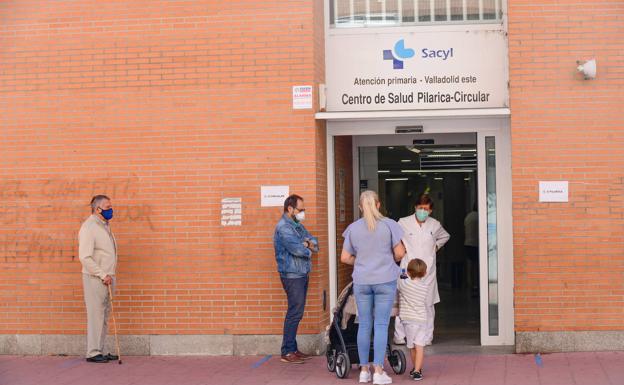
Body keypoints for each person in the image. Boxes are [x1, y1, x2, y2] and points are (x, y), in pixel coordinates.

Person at [340, 190, 405, 385]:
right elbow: (400, 253)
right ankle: (378, 371)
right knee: (381, 325)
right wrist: (385, 260)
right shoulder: (390, 225)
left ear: (360, 207)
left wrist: (363, 261)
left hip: (362, 281)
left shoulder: (353, 228)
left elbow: (344, 258)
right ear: (378, 204)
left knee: (364, 324)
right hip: (385, 280)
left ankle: (364, 371)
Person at [394, 194, 450, 348]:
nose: (422, 211)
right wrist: (400, 249)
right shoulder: (403, 222)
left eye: (426, 209)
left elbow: (445, 236)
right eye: (420, 208)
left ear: (431, 211)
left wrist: (436, 247)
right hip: (408, 267)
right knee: (404, 300)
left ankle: (426, 337)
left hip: (427, 269)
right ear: (415, 208)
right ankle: (400, 336)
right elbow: (393, 238)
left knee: (428, 303)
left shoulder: (435, 225)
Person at [274, 194, 318, 364]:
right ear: (290, 209)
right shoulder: (284, 227)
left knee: (297, 312)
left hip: (302, 273)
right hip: (292, 275)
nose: (302, 213)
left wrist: (308, 244)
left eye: (303, 210)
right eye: (301, 210)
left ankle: (292, 348)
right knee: (294, 312)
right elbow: (299, 250)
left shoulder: (297, 226)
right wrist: (307, 246)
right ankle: (287, 351)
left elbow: (315, 243)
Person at [78, 195, 118, 363]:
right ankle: (93, 353)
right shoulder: (89, 227)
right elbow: (85, 257)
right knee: (96, 315)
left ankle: (100, 350)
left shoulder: (104, 225)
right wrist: (103, 274)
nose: (111, 209)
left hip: (107, 277)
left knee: (104, 315)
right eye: (107, 207)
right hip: (96, 278)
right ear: (97, 209)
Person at [397, 258, 430, 381]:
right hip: (421, 320)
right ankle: (417, 370)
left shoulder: (404, 285)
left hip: (409, 320)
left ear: (410, 272)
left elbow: (401, 274)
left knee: (411, 346)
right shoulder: (425, 286)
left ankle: (416, 369)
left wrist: (404, 265)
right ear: (425, 273)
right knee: (420, 345)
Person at [464, 203, 479, 297]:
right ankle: (477, 284)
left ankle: (472, 283)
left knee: (471, 265)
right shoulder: (479, 216)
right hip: (476, 244)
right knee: (477, 265)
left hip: (468, 243)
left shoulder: (468, 217)